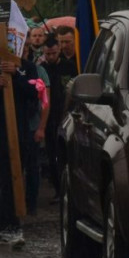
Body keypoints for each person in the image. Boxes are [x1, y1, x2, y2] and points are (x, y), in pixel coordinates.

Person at [0, 26, 39, 246]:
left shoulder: (28, 68)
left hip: (21, 130)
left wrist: (15, 76)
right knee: (3, 177)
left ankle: (12, 224)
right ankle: (6, 225)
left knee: (17, 175)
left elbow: (34, 93)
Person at [40, 36, 72, 202]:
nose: (50, 57)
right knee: (52, 154)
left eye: (53, 53)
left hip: (66, 116)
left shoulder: (69, 67)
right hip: (50, 118)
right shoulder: (42, 69)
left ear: (58, 49)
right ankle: (58, 189)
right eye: (47, 54)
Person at [22, 35, 50, 216]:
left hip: (32, 126)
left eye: (24, 48)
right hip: (13, 126)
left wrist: (41, 127)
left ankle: (31, 203)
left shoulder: (39, 71)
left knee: (32, 167)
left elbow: (46, 102)